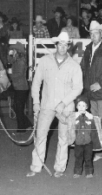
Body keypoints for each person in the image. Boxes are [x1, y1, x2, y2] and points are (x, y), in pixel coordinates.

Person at [26, 32, 83, 178]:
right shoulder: (44, 61)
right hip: (46, 105)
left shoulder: (74, 65)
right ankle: (36, 166)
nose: (63, 47)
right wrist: (36, 102)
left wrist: (63, 103)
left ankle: (60, 167)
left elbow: (78, 88)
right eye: (60, 44)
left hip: (66, 108)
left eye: (65, 45)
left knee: (63, 138)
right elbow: (36, 82)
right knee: (40, 136)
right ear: (56, 45)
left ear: (68, 46)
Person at [80, 20, 102, 168]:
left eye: (96, 32)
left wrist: (101, 84)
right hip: (91, 95)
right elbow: (82, 69)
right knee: (95, 125)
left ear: (101, 33)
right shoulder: (88, 49)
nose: (93, 35)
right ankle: (100, 152)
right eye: (91, 33)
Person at [67, 95, 102, 179]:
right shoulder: (73, 117)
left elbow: (96, 130)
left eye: (83, 105)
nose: (81, 107)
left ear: (87, 107)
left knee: (88, 158)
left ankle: (89, 172)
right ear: (76, 106)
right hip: (78, 142)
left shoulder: (91, 117)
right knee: (78, 158)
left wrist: (92, 119)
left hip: (88, 143)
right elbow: (70, 127)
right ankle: (77, 172)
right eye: (79, 105)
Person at [8, 42, 32, 133]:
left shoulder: (21, 61)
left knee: (18, 108)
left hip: (21, 88)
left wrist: (9, 75)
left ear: (17, 51)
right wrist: (10, 55)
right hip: (19, 87)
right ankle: (28, 125)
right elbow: (8, 60)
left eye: (13, 50)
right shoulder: (16, 59)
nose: (12, 51)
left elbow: (19, 74)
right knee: (17, 107)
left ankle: (22, 128)